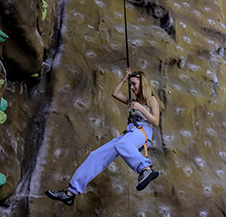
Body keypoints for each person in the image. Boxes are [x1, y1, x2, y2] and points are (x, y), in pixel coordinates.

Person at [45, 68, 165, 206]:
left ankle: (145, 169)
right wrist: (124, 79)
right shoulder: (133, 101)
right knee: (96, 156)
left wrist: (141, 108)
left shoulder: (152, 99)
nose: (131, 88)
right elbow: (115, 94)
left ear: (142, 83)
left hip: (142, 132)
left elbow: (155, 122)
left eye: (134, 84)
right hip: (130, 133)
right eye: (130, 85)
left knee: (122, 145)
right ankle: (70, 193)